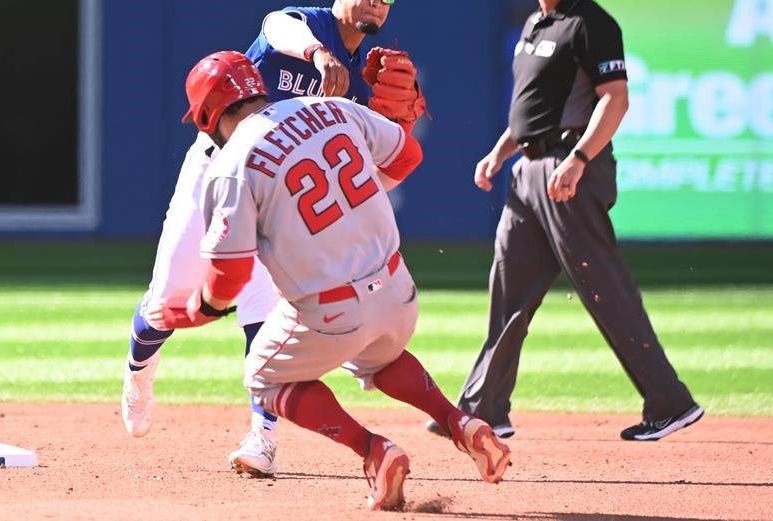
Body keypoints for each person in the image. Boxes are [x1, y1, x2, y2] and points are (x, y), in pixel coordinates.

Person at [153, 50, 510, 511]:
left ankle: (373, 451)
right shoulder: (329, 107)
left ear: (206, 116)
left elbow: (232, 272)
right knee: (379, 357)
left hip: (332, 313)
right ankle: (459, 422)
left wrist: (201, 309)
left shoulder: (232, 164)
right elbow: (408, 154)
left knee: (263, 378)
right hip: (399, 293)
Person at [122, 0, 424, 477]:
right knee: (167, 295)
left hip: (276, 192)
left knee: (264, 309)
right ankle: (139, 369)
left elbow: (372, 162)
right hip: (214, 170)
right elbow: (274, 23)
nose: (377, 1)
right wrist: (318, 54)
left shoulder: (362, 79)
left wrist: (397, 120)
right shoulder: (308, 25)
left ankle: (261, 439)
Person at [428, 0, 703, 442]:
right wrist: (497, 152)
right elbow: (532, 112)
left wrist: (578, 158)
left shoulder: (592, 23)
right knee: (507, 291)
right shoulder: (535, 25)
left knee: (605, 290)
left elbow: (614, 98)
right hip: (527, 172)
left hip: (570, 169)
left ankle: (670, 402)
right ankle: (485, 408)